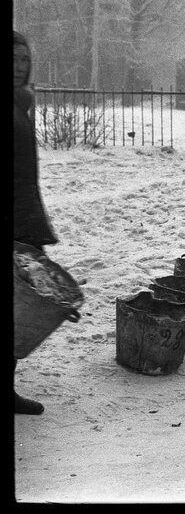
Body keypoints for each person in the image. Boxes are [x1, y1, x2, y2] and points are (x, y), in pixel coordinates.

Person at [14, 30, 58, 415]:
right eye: (12, 60)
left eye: (24, 60)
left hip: (23, 210)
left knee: (20, 302)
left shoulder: (21, 103)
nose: (18, 67)